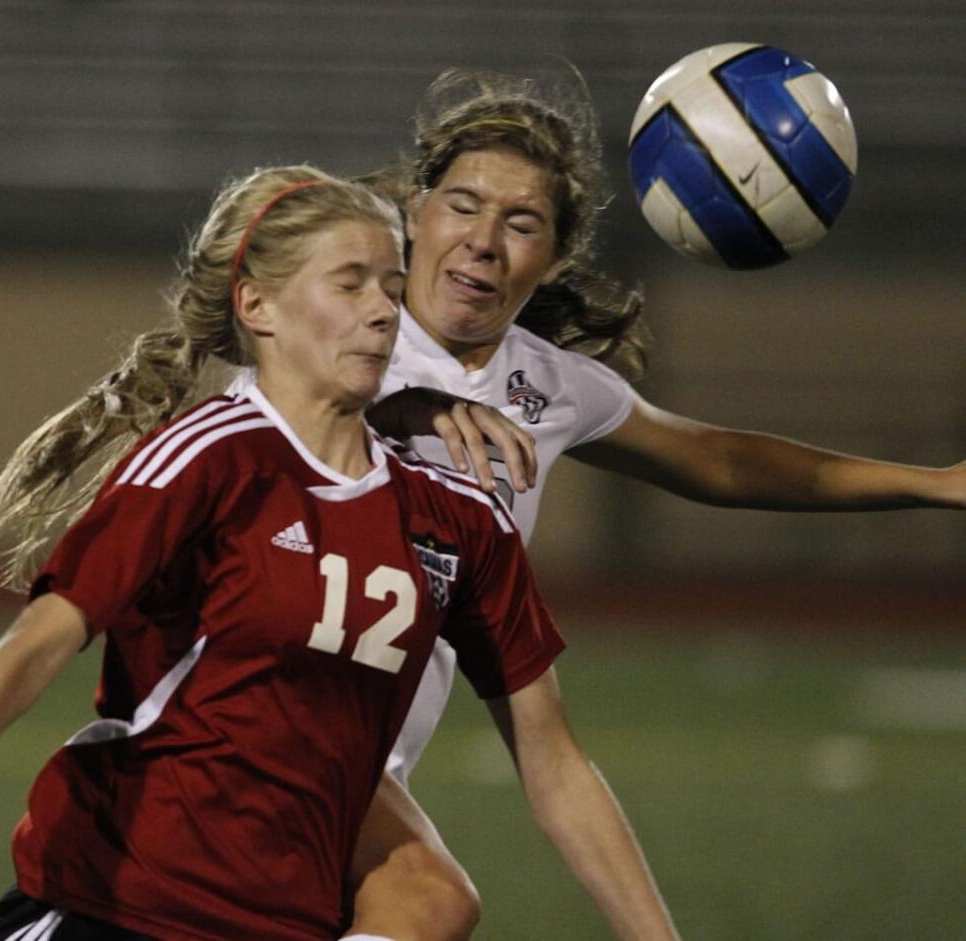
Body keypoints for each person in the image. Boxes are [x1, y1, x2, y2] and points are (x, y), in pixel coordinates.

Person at [0, 165, 677, 941]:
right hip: (113, 906)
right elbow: (39, 643)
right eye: (351, 282)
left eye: (392, 284)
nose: (382, 308)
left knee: (437, 900)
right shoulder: (209, 458)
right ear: (258, 306)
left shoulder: (457, 520)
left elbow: (554, 759)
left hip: (276, 922)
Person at [338, 67, 966, 940]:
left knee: (424, 905)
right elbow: (275, 407)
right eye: (462, 204)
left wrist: (936, 483)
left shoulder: (546, 389)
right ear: (414, 210)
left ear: (554, 257)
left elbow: (722, 460)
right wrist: (405, 408)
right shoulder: (335, 318)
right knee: (426, 904)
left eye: (520, 223)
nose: (483, 239)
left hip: (368, 769)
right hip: (247, 724)